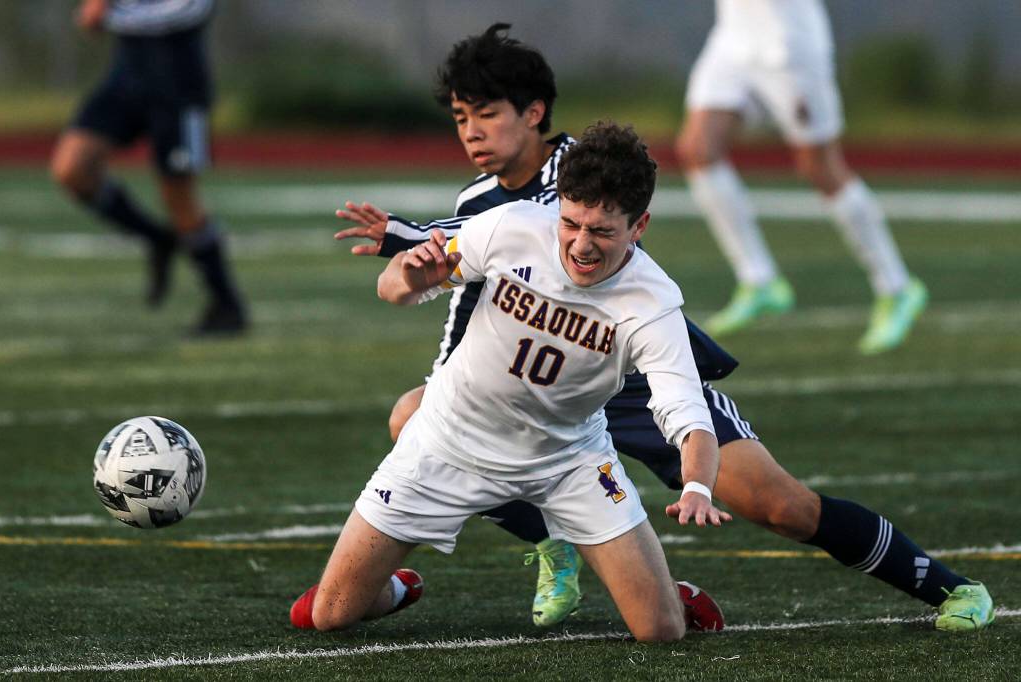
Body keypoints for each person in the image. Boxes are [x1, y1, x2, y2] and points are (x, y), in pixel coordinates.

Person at [334, 25, 994, 633]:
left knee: (779, 505)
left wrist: (406, 236)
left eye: (486, 114)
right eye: (460, 118)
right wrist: (412, 260)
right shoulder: (478, 200)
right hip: (544, 394)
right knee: (411, 416)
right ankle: (557, 545)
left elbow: (539, 228)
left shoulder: (581, 170)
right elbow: (463, 276)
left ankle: (948, 587)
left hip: (630, 372)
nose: (471, 133)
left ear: (534, 114)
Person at [291, 123, 728, 641]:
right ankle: (396, 588)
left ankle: (666, 591)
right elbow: (394, 290)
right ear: (558, 205)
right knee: (329, 614)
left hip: (570, 461)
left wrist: (697, 485)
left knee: (660, 631)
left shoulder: (652, 303)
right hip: (446, 440)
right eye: (571, 223)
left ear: (639, 225)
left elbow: (688, 413)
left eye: (602, 232)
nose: (581, 245)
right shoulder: (514, 226)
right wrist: (412, 273)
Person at [676, 0, 926, 354]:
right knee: (698, 148)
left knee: (820, 167)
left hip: (789, 46)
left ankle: (897, 288)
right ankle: (760, 280)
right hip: (734, 38)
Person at [50, 0, 246, 336]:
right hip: (127, 64)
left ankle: (227, 305)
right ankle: (157, 239)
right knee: (72, 168)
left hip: (178, 70)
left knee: (179, 199)